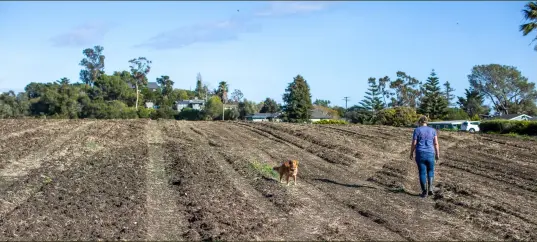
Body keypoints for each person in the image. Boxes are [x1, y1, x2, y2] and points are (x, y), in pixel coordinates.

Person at [409, 116, 440, 198]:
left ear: (420, 122)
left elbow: (414, 143)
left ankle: (424, 192)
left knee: (422, 172)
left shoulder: (417, 130)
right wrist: (437, 154)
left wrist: (411, 152)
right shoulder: (433, 130)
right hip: (430, 153)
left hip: (420, 153)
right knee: (430, 170)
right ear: (427, 122)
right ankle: (430, 188)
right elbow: (436, 143)